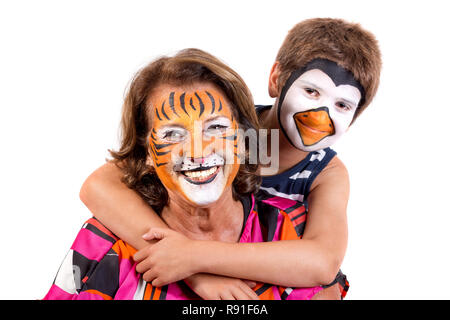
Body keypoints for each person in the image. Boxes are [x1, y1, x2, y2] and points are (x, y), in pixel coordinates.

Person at [79, 18, 382, 299]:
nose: (321, 115)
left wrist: (193, 258)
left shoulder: (326, 173)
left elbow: (322, 262)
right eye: (311, 91)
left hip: (272, 279)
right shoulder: (227, 129)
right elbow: (99, 184)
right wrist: (194, 272)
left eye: (342, 105)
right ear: (276, 79)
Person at [44, 48, 323, 300]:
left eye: (215, 128)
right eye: (173, 134)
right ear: (147, 153)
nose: (198, 151)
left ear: (243, 138)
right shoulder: (104, 244)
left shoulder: (290, 228)